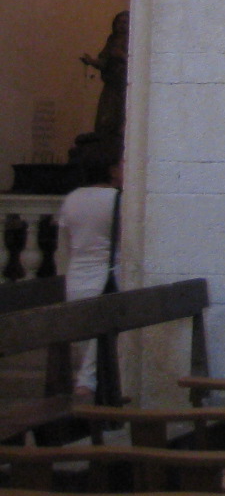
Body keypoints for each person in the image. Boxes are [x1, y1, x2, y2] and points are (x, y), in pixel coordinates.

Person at [55, 158, 121, 399]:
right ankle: (87, 387)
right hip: (106, 275)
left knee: (86, 343)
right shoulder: (117, 199)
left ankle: (87, 387)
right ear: (111, 170)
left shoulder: (72, 199)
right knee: (99, 345)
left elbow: (64, 244)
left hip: (76, 275)